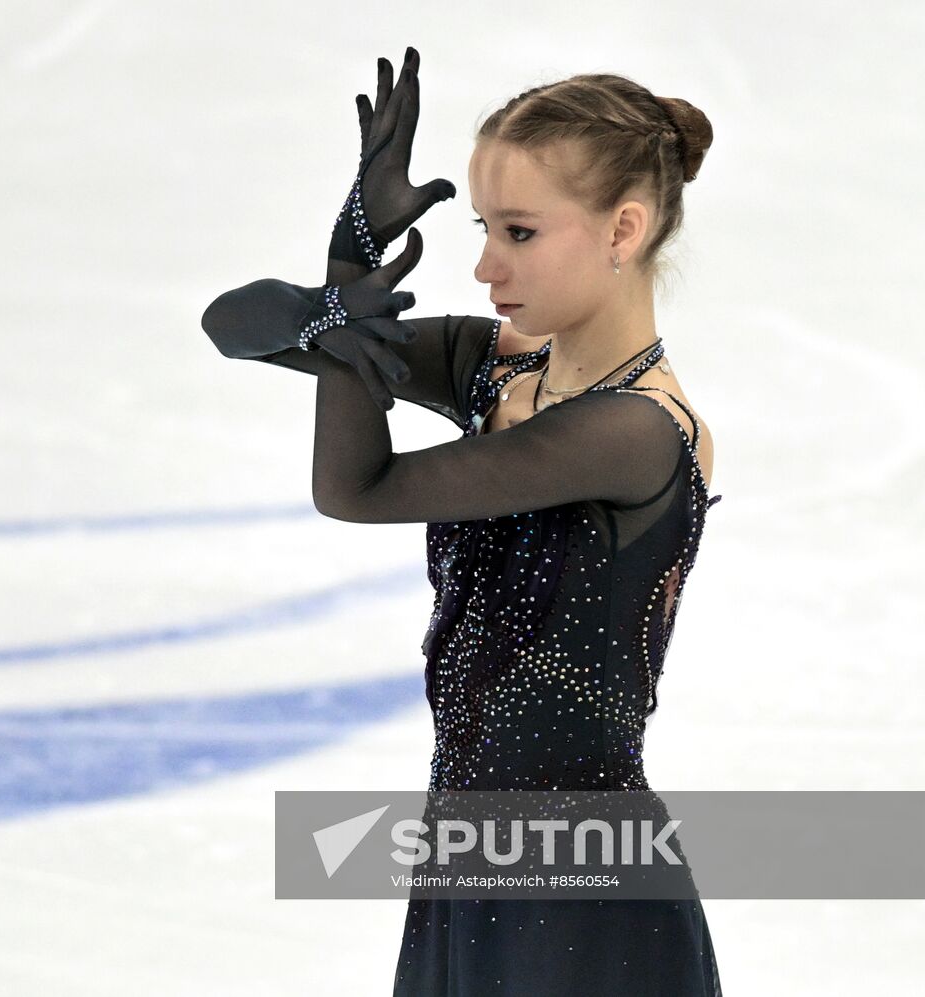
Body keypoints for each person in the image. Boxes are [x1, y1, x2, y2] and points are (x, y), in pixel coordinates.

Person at [200, 48, 724, 995]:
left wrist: (341, 317)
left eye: (519, 232)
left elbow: (357, 488)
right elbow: (230, 327)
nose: (485, 266)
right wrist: (345, 265)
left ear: (624, 229)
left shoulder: (634, 433)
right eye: (483, 228)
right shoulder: (496, 366)